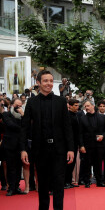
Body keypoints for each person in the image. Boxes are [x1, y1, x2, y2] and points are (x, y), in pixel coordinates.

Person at [20, 70, 74, 210]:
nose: (49, 83)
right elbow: (24, 127)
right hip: (40, 150)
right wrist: (23, 149)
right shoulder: (31, 102)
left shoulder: (61, 101)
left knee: (58, 185)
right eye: (45, 81)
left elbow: (67, 126)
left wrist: (70, 148)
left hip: (59, 150)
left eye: (51, 81)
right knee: (42, 185)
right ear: (38, 83)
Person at [79, 100, 105, 188]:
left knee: (98, 163)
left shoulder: (102, 117)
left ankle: (99, 181)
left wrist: (103, 136)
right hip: (87, 145)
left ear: (93, 106)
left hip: (99, 144)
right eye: (85, 106)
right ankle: (87, 182)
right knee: (87, 164)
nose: (86, 108)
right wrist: (81, 145)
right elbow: (80, 133)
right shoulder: (82, 118)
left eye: (88, 106)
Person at [2, 98, 26, 196]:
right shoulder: (6, 115)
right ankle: (11, 188)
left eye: (20, 106)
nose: (18, 108)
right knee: (11, 167)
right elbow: (11, 125)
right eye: (17, 106)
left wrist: (23, 115)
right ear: (12, 105)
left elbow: (27, 127)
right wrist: (22, 128)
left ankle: (17, 186)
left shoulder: (22, 116)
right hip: (9, 145)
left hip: (20, 145)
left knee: (18, 167)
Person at [64, 99, 81, 189]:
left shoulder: (76, 115)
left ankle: (68, 181)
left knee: (72, 163)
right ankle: (65, 182)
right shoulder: (67, 116)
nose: (77, 107)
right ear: (69, 106)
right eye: (75, 105)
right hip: (68, 143)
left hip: (75, 142)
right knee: (68, 162)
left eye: (78, 105)